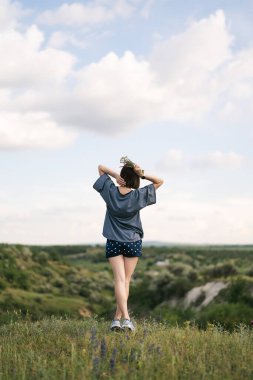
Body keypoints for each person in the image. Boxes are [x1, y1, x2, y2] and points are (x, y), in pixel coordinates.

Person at [93, 159, 163, 331]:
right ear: (136, 178)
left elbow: (101, 167)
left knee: (119, 280)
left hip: (114, 241)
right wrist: (142, 174)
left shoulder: (110, 191)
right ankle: (125, 319)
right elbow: (160, 181)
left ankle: (119, 319)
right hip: (133, 242)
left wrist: (115, 175)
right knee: (126, 282)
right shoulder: (138, 196)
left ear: (122, 177)